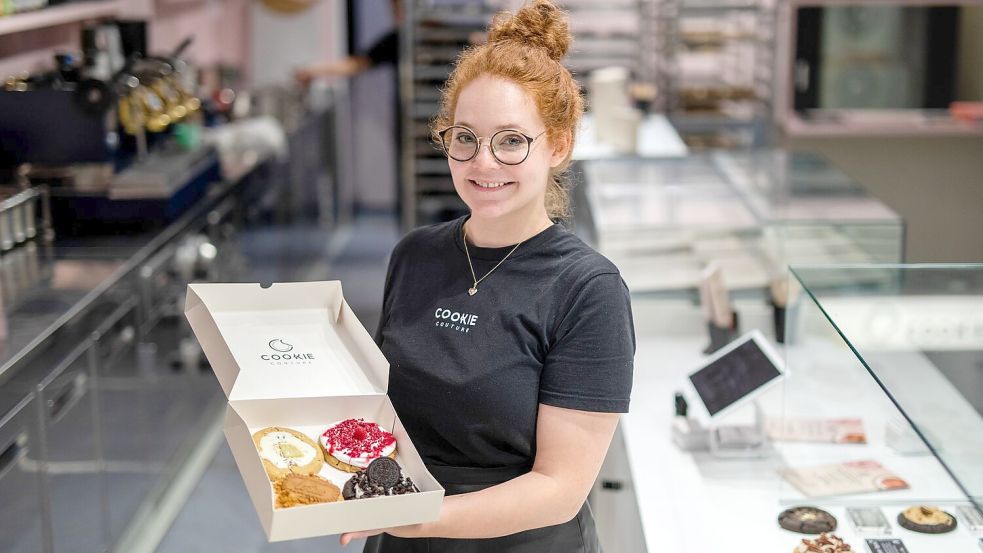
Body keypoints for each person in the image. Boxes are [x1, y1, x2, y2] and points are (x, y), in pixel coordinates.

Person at [342, 2, 635, 551]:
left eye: (510, 141)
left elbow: (559, 489)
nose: (483, 163)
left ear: (558, 145)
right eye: (465, 138)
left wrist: (422, 517)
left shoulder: (587, 289)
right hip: (403, 536)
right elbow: (389, 413)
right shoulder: (415, 255)